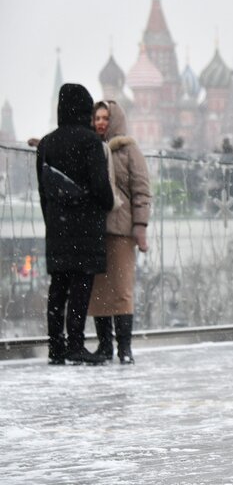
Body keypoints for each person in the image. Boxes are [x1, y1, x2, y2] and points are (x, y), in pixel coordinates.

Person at [36, 83, 115, 364]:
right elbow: (101, 187)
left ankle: (56, 347)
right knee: (81, 288)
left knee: (57, 289)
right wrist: (105, 204)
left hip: (57, 228)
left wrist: (53, 222)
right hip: (85, 228)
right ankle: (76, 345)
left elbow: (44, 192)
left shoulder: (45, 144)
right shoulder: (90, 141)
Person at [88, 100, 151, 364]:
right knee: (99, 290)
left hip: (122, 231)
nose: (101, 122)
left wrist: (140, 226)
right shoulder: (90, 148)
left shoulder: (128, 149)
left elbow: (142, 190)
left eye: (106, 117)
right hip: (95, 229)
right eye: (97, 118)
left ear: (115, 120)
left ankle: (124, 347)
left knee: (122, 288)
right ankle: (105, 346)